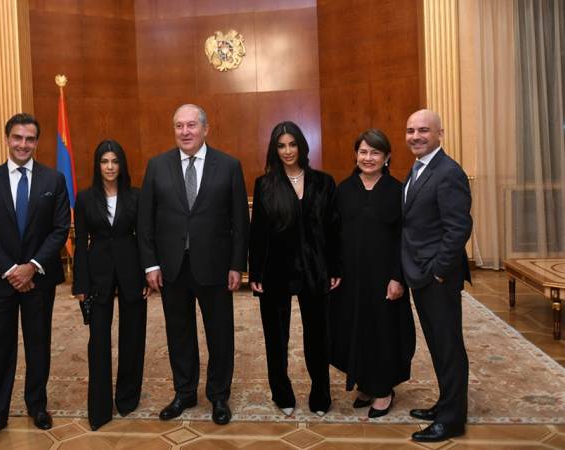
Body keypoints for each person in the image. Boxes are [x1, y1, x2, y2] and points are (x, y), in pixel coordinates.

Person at [137, 104, 249, 425]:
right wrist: (150, 265)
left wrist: (237, 265)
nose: (185, 132)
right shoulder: (157, 166)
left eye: (191, 125)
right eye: (179, 126)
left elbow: (240, 222)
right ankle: (184, 392)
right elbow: (145, 221)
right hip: (172, 267)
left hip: (215, 267)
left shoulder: (228, 166)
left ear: (205, 129)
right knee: (179, 333)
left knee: (220, 334)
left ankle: (218, 395)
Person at [0, 113, 70, 448]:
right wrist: (13, 270)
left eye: (29, 139)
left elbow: (60, 229)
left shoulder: (54, 180)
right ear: (7, 139)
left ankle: (37, 406)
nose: (23, 144)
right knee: (0, 346)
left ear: (36, 142)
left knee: (38, 343)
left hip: (39, 278)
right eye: (17, 137)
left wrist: (32, 267)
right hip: (1, 280)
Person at [249, 121, 341, 417]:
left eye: (292, 144)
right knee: (276, 339)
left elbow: (334, 229)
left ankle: (321, 394)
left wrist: (335, 266)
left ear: (301, 146)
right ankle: (282, 393)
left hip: (316, 269)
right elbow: (258, 233)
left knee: (318, 337)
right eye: (281, 146)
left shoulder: (324, 182)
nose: (288, 151)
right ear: (274, 150)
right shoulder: (265, 185)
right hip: (275, 271)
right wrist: (256, 272)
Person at [329, 129, 415, 419]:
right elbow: (333, 235)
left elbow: (405, 239)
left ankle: (383, 389)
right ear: (355, 155)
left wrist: (398, 277)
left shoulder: (398, 191)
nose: (368, 158)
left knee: (383, 331)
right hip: (351, 279)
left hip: (385, 278)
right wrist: (334, 271)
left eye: (375, 152)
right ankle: (364, 382)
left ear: (387, 157)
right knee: (354, 328)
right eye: (363, 152)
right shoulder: (343, 189)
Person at [402, 109, 472, 442]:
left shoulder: (448, 172)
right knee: (438, 344)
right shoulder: (419, 168)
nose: (415, 136)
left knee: (449, 347)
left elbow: (459, 228)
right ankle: (446, 403)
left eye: (423, 130)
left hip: (437, 278)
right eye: (410, 130)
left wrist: (440, 272)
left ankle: (452, 420)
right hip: (422, 274)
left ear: (439, 134)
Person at [72, 140, 149, 430]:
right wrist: (80, 283)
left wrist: (147, 274)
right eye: (104, 161)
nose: (110, 167)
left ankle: (127, 399)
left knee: (133, 337)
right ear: (97, 165)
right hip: (97, 274)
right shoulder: (84, 198)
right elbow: (81, 243)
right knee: (99, 341)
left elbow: (145, 237)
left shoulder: (136, 196)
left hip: (132, 272)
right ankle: (100, 408)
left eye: (115, 161)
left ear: (122, 165)